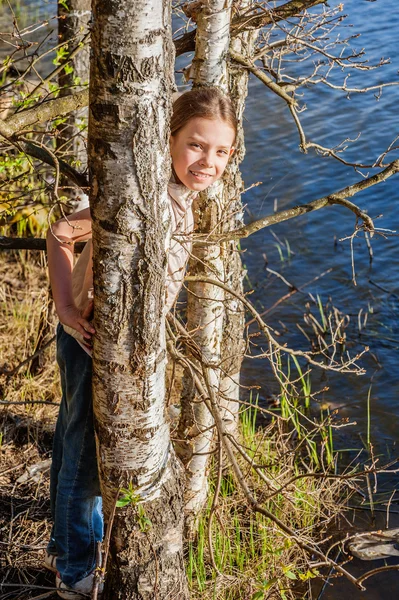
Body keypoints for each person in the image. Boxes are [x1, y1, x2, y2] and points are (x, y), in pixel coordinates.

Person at [45, 87, 237, 599]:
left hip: (100, 344)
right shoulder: (145, 196)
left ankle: (64, 543)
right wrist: (66, 309)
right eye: (196, 145)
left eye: (221, 151)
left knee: (73, 441)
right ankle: (75, 571)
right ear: (168, 139)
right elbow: (62, 232)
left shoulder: (182, 195)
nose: (209, 161)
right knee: (84, 457)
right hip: (93, 345)